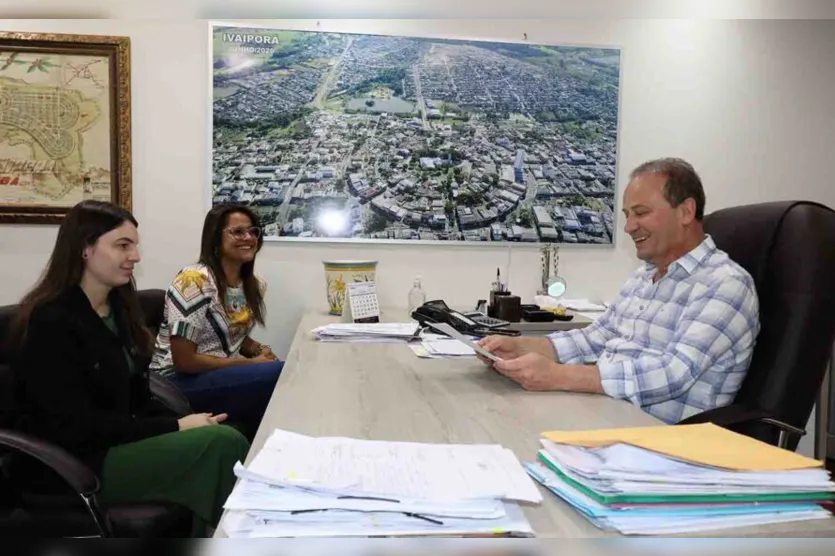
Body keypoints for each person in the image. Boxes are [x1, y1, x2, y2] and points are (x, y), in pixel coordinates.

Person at [9, 200, 249, 537]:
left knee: (225, 437)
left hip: (116, 443)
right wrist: (175, 426)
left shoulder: (117, 308)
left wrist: (182, 425)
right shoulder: (51, 321)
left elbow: (136, 398)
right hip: (78, 461)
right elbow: (74, 427)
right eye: (123, 245)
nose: (135, 256)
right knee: (222, 444)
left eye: (135, 245)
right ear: (84, 249)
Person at [478, 158, 761, 424]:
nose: (628, 227)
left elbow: (673, 374)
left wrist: (558, 375)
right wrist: (523, 346)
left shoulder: (725, 284)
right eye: (627, 215)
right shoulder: (643, 277)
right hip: (607, 417)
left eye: (641, 213)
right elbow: (596, 339)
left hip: (664, 442)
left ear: (686, 211)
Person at [149, 204, 283, 441]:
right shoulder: (194, 280)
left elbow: (230, 334)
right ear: (215, 238)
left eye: (253, 231)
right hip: (173, 382)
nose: (249, 238)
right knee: (277, 374)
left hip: (211, 373)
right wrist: (250, 365)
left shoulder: (254, 284)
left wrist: (257, 349)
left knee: (281, 372)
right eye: (238, 232)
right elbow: (185, 361)